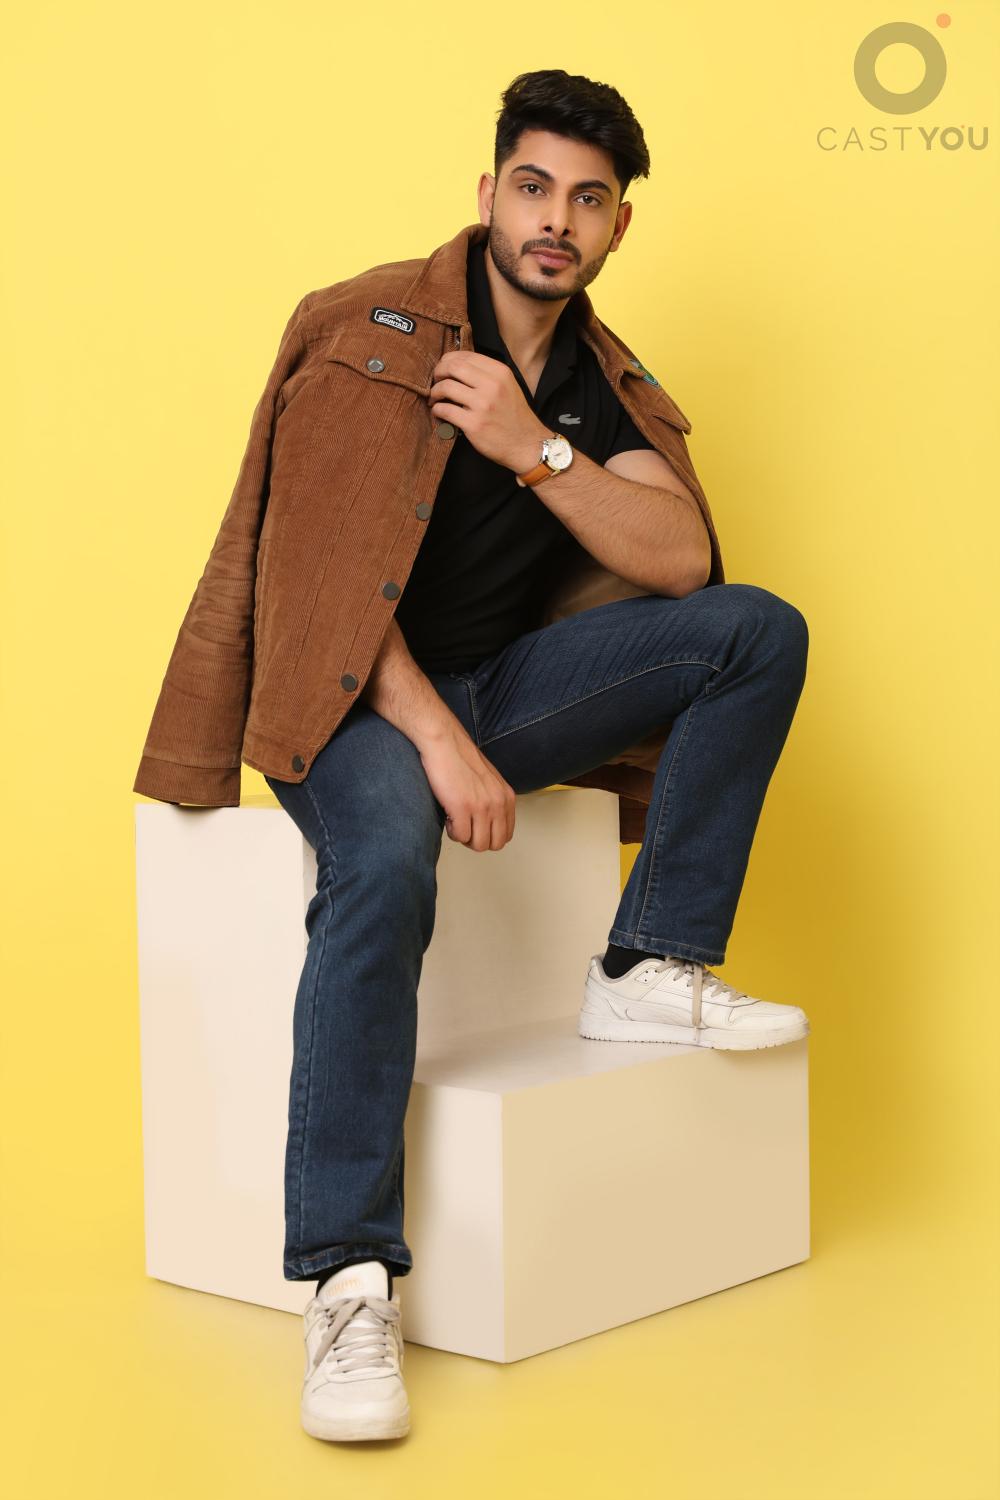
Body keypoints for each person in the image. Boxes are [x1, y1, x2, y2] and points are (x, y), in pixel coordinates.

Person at [135, 69, 810, 1443]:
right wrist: (439, 744)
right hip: (345, 692)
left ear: (617, 226)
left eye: (588, 200)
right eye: (534, 186)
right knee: (386, 862)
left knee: (756, 631)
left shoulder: (597, 383)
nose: (556, 219)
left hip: (493, 686)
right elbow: (315, 579)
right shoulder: (370, 329)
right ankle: (347, 1278)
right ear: (489, 192)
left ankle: (645, 969)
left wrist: (532, 447)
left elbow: (681, 559)